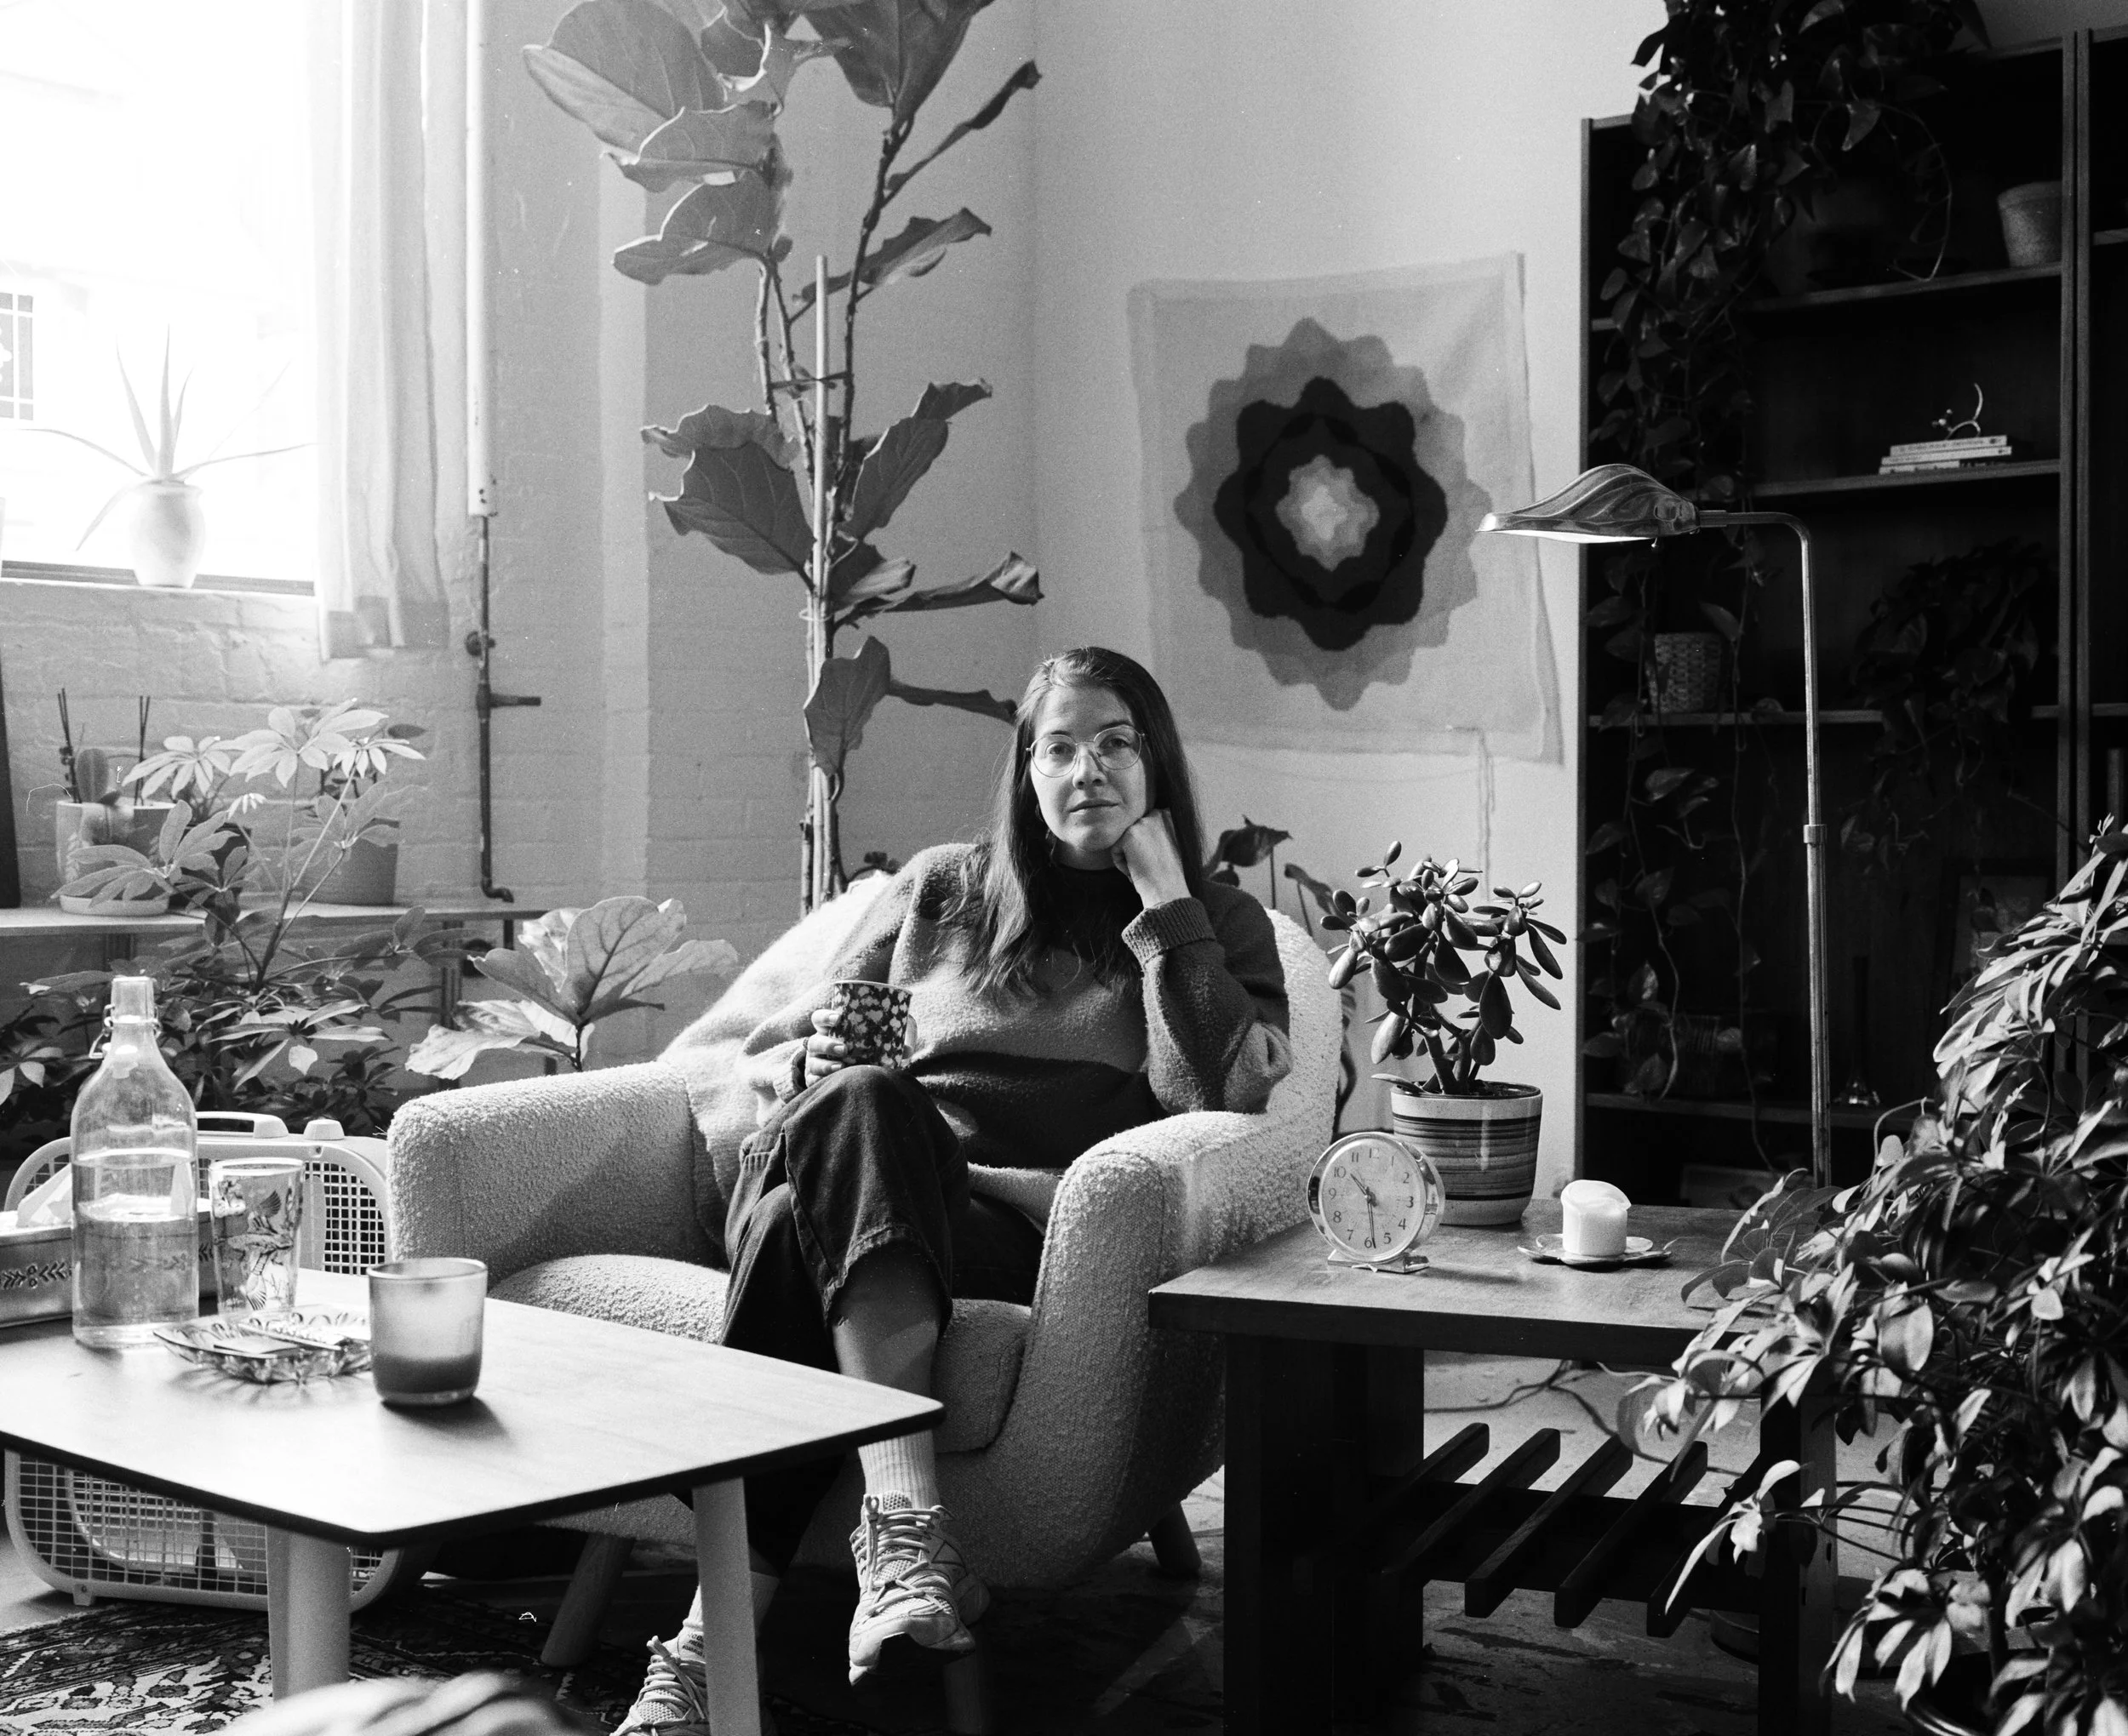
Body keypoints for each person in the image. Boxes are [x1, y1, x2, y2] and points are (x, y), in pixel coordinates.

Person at [621, 646, 1291, 1733]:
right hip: (852, 1156)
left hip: (996, 1225)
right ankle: (905, 1534)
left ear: (1156, 761)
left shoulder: (1214, 924)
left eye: (1115, 743)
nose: (1088, 772)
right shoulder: (942, 889)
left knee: (803, 1228)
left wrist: (1166, 906)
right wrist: (808, 1067)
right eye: (1058, 749)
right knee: (862, 1107)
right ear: (1025, 774)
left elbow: (1223, 1088)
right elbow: (798, 1044)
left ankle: (699, 1660)